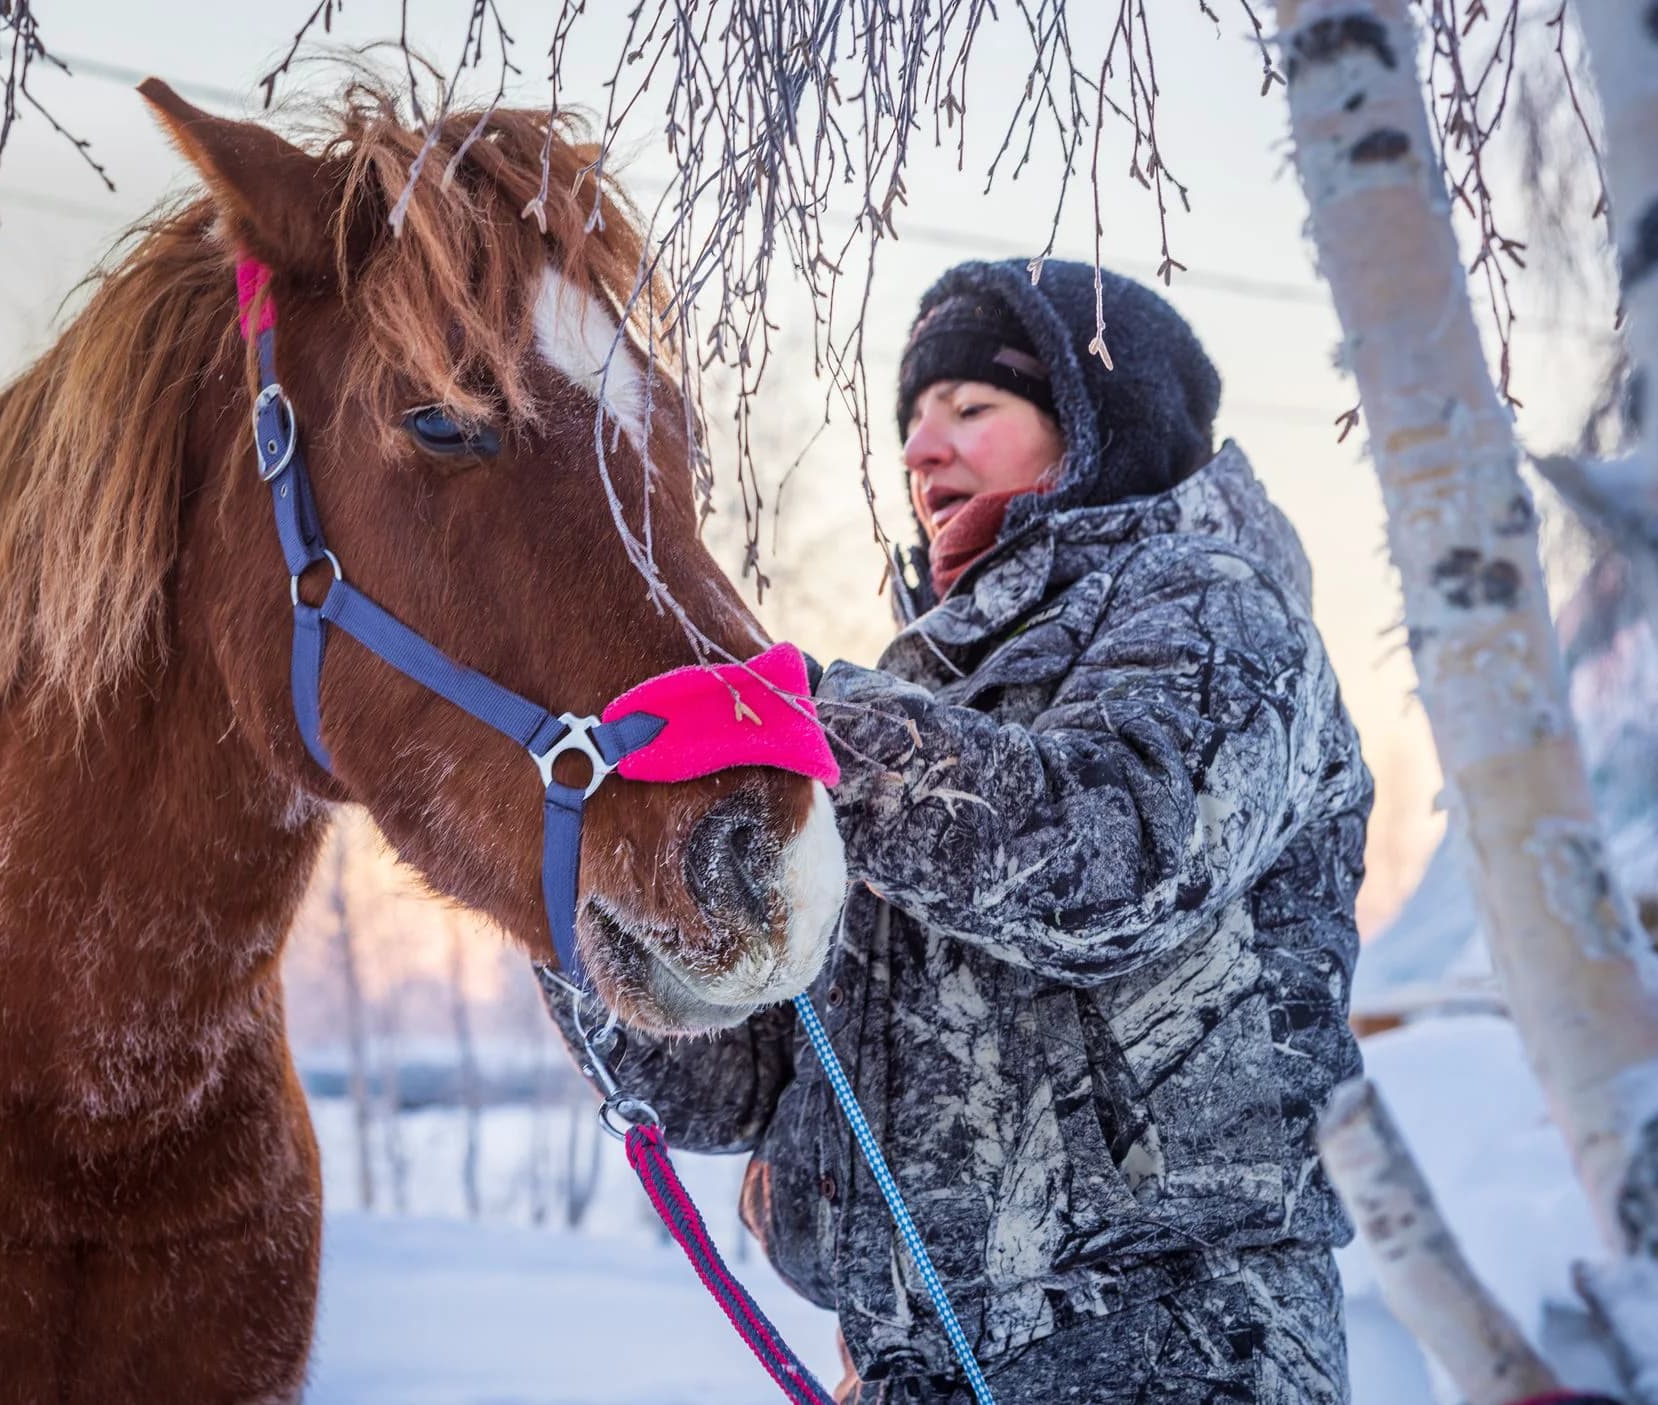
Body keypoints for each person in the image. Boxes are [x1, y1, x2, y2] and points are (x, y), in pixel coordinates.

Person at [541, 259, 1373, 1402]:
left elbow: (1111, 864)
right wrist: (569, 874)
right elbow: (730, 1086)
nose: (920, 450)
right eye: (914, 421)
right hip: (902, 1367)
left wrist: (807, 721)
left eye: (970, 408)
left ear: (1101, 429)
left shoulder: (1219, 608)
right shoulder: (920, 696)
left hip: (1174, 1353)